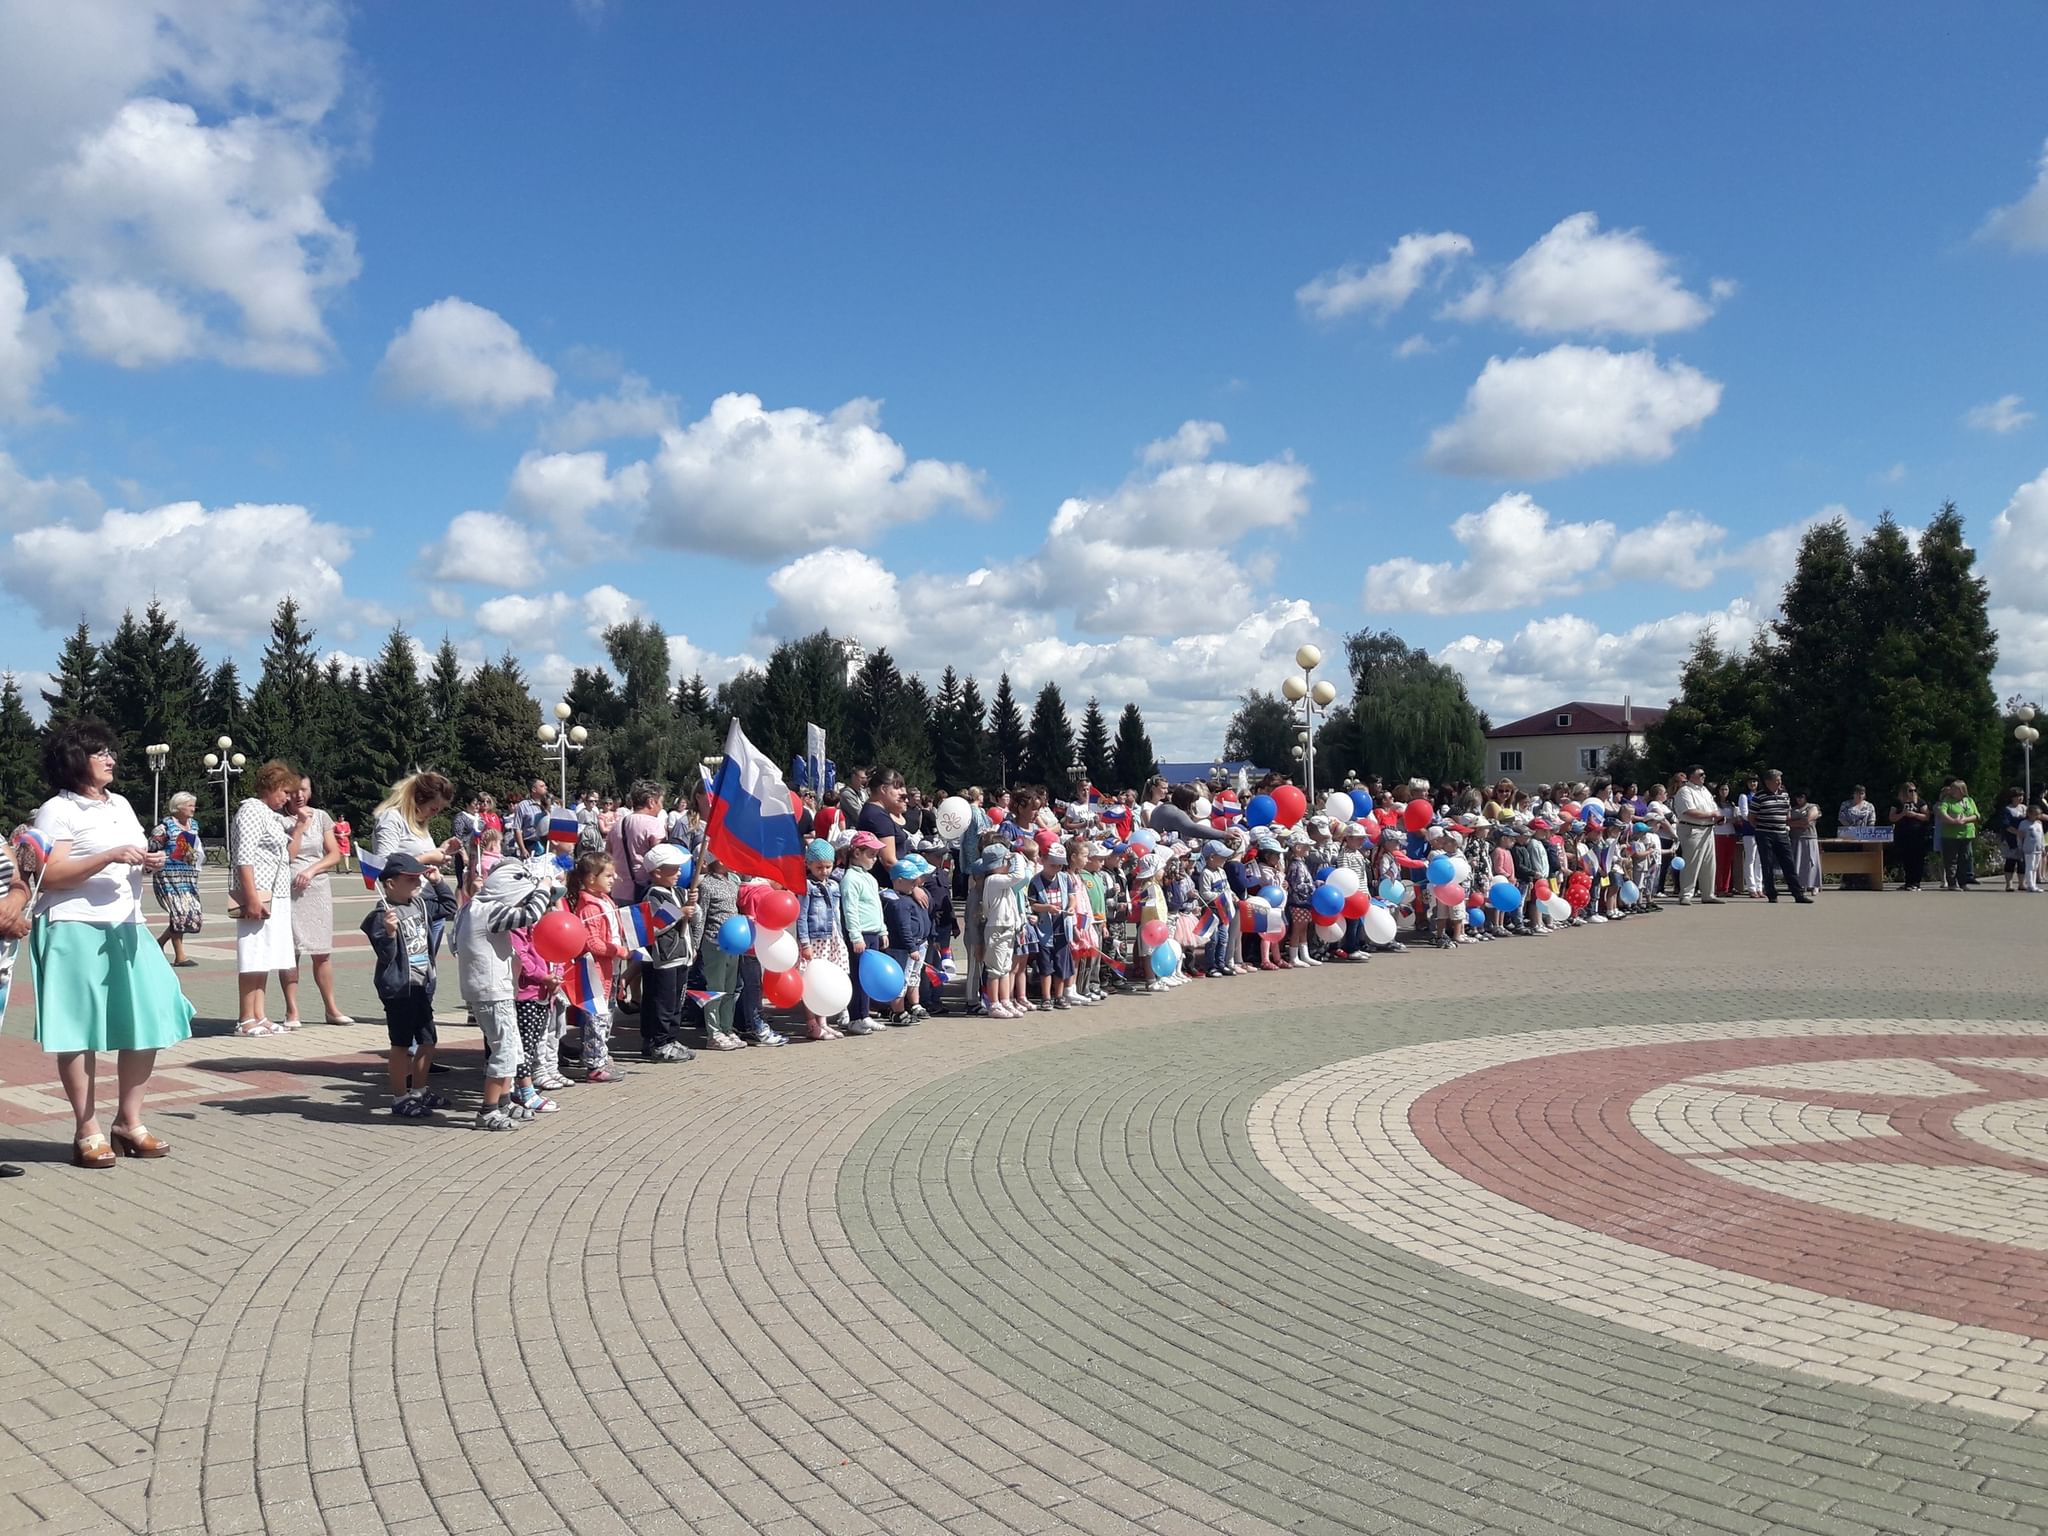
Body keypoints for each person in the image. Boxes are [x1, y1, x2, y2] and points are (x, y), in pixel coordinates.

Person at [25, 720, 194, 1168]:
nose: (110, 759)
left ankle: (129, 1122)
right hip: (73, 926)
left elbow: (131, 854)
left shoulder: (119, 803)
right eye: (99, 752)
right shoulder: (56, 811)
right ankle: (86, 1129)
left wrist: (149, 862)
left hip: (127, 925)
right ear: (75, 760)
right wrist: (108, 856)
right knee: (78, 1029)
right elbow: (51, 875)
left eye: (110, 751)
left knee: (150, 1015)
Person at [455, 857, 559, 1129]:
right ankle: (488, 1111)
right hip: (491, 991)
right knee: (503, 1051)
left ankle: (504, 1102)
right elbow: (531, 915)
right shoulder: (489, 911)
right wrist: (543, 888)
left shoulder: (472, 908)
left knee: (512, 1048)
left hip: (495, 990)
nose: (521, 904)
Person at [363, 852, 456, 1117]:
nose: (417, 882)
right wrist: (389, 934)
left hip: (420, 984)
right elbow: (385, 955)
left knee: (428, 1040)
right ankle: (399, 1097)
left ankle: (419, 1091)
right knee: (401, 1045)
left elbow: (449, 907)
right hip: (399, 989)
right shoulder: (381, 915)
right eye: (410, 878)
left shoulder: (420, 904)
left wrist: (438, 882)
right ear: (391, 883)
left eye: (418, 876)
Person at [232, 760, 311, 1036]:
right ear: (272, 787)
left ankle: (260, 1014)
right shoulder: (251, 810)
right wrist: (251, 896)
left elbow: (286, 852)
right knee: (252, 954)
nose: (288, 798)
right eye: (285, 792)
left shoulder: (270, 815)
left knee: (265, 956)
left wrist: (299, 827)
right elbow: (244, 856)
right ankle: (245, 1018)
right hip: (259, 893)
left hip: (276, 894)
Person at [284, 775, 351, 1025]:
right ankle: (292, 1011)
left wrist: (312, 870)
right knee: (291, 952)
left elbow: (334, 853)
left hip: (318, 888)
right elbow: (287, 856)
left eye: (304, 789)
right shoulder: (280, 819)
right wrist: (299, 827)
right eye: (293, 791)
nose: (299, 795)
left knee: (322, 951)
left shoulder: (321, 816)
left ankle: (331, 1009)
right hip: (289, 890)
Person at [636, 843, 704, 1059]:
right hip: (664, 958)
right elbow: (654, 925)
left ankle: (671, 1039)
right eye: (673, 868)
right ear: (657, 872)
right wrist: (680, 911)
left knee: (676, 1003)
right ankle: (658, 1042)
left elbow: (696, 917)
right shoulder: (652, 895)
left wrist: (694, 908)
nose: (679, 872)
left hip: (681, 956)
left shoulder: (679, 892)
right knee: (663, 1004)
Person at [148, 790, 204, 967]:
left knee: (189, 912)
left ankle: (160, 942)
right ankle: (180, 956)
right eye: (189, 805)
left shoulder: (194, 825)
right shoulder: (164, 827)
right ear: (178, 807)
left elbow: (193, 849)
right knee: (178, 911)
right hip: (168, 875)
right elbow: (151, 848)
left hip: (188, 874)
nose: (193, 808)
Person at [373, 772, 459, 874]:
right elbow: (385, 865)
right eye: (433, 809)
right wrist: (428, 857)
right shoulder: (392, 818)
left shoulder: (418, 824)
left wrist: (442, 851)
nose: (435, 814)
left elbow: (420, 860)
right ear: (418, 799)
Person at [1747, 769, 1811, 904]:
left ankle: (1798, 894)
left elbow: (1787, 815)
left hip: (1782, 833)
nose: (1779, 782)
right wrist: (1762, 828)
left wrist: (1783, 825)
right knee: (1768, 864)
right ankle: (1771, 894)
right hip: (1765, 834)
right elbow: (1751, 818)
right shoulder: (1759, 796)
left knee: (1789, 864)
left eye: (1780, 780)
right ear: (1768, 782)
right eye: (1777, 780)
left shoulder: (1785, 795)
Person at [1672, 766, 1722, 905]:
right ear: (1691, 776)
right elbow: (1690, 811)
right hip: (1692, 829)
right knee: (1692, 863)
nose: (1704, 776)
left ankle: (1708, 894)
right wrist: (1712, 815)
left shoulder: (1704, 790)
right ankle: (1686, 894)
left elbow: (1714, 808)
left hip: (1708, 829)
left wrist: (1717, 817)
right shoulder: (1685, 791)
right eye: (1701, 774)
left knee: (1709, 863)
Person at [1939, 780, 1980, 891]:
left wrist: (1965, 820)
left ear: (1962, 790)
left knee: (1964, 859)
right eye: (1951, 788)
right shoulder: (1947, 801)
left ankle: (1963, 882)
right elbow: (1942, 813)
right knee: (1951, 860)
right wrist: (1953, 821)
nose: (1952, 791)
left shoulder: (1969, 800)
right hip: (1950, 835)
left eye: (1955, 789)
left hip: (1967, 834)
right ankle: (1952, 883)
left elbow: (1976, 815)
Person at [1889, 782, 1931, 891]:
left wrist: (1915, 815)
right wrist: (1903, 813)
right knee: (1907, 859)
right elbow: (1892, 817)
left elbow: (1926, 816)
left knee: (1917, 859)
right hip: (1903, 834)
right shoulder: (1898, 803)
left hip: (1917, 834)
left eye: (1914, 790)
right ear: (1904, 791)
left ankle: (1916, 882)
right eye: (1910, 790)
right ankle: (1908, 882)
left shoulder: (1920, 802)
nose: (1913, 793)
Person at [1993, 787, 2027, 892]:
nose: (2020, 798)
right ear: (2012, 798)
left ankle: (2022, 883)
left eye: (2022, 796)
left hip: (2023, 839)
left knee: (2022, 862)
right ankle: (2009, 884)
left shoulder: (2024, 808)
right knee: (2011, 861)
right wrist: (2017, 832)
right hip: (2010, 838)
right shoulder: (2007, 810)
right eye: (2018, 796)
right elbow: (2006, 825)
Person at [1791, 790, 1823, 897]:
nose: (1799, 799)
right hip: (1796, 838)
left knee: (1811, 862)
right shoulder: (1793, 809)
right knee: (1798, 863)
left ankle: (1815, 885)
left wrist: (1794, 823)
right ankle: (1801, 885)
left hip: (1810, 837)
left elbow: (1807, 821)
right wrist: (1798, 822)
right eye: (1797, 797)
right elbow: (1786, 822)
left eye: (1801, 797)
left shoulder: (1813, 807)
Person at [511, 779, 551, 859]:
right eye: (542, 786)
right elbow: (517, 828)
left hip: (547, 843)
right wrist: (522, 849)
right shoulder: (523, 806)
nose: (545, 788)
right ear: (534, 789)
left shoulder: (548, 805)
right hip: (531, 843)